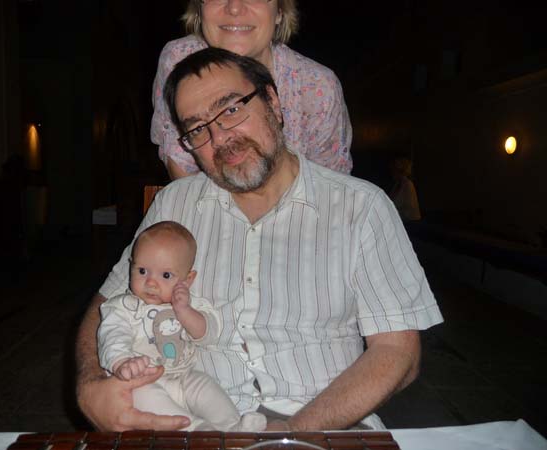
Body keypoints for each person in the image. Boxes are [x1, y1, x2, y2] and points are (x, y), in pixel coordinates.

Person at [76, 48, 443, 432]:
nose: (220, 138)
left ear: (273, 102)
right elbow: (107, 303)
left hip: (329, 423)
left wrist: (292, 434)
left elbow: (398, 353)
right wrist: (89, 386)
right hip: (198, 421)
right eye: (197, 129)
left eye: (231, 109)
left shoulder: (361, 206)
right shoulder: (174, 205)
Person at [151, 0, 353, 180]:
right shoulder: (180, 63)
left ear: (280, 11)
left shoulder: (316, 87)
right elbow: (183, 168)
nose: (234, 8)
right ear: (199, 9)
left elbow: (331, 187)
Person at [97, 221, 266, 431]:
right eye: (142, 271)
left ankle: (233, 427)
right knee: (147, 399)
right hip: (143, 381)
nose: (151, 283)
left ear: (187, 279)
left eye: (166, 275)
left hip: (184, 376)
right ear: (130, 266)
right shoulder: (122, 307)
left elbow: (208, 333)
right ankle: (198, 430)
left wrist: (185, 311)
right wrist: (122, 362)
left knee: (207, 388)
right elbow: (112, 336)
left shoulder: (187, 304)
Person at [389, 156, 421, 223]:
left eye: (393, 170)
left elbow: (409, 209)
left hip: (410, 222)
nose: (391, 173)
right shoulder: (397, 184)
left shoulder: (408, 185)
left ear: (399, 171)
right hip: (400, 220)